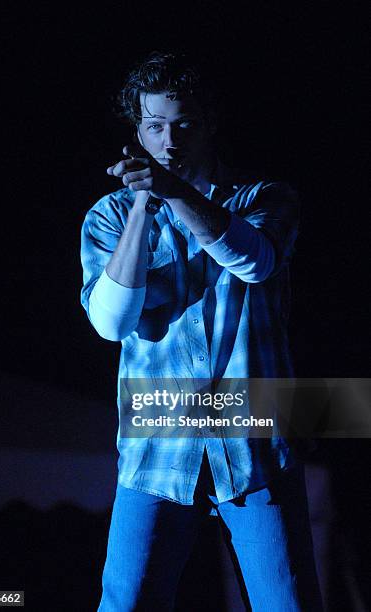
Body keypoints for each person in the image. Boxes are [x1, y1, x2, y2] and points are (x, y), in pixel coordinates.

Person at [80, 51, 323, 611]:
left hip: (256, 442)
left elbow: (256, 262)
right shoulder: (111, 215)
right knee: (127, 605)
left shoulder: (265, 197)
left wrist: (174, 193)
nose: (169, 141)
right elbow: (111, 322)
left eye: (183, 124)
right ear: (138, 131)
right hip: (156, 448)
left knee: (287, 605)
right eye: (155, 126)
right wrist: (145, 204)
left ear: (210, 123)